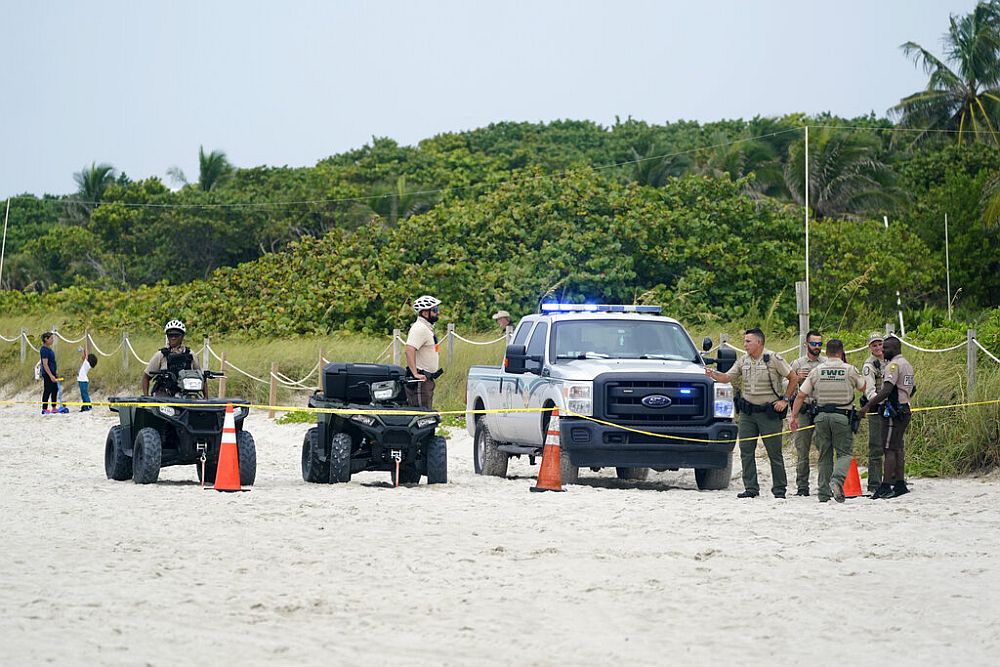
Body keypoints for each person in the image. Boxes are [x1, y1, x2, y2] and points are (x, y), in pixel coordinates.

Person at [706, 328, 799, 499]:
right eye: (744, 341)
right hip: (748, 413)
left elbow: (793, 377)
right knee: (746, 450)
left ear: (759, 342)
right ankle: (751, 488)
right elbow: (727, 377)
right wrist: (713, 374)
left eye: (748, 341)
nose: (745, 344)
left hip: (769, 412)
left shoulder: (773, 358)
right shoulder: (743, 361)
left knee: (774, 453)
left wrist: (785, 400)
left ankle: (779, 489)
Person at [789, 339, 865, 503]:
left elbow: (801, 395)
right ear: (841, 352)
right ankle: (836, 481)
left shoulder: (817, 370)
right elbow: (862, 387)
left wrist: (793, 416)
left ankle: (823, 494)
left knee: (824, 455)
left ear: (826, 352)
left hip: (821, 417)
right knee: (845, 453)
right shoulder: (849, 369)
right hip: (842, 416)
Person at [859, 336, 915, 499]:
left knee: (888, 448)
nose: (882, 350)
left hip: (893, 411)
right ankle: (899, 483)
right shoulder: (907, 364)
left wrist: (867, 406)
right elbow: (912, 387)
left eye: (885, 347)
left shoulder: (893, 365)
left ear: (895, 348)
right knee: (898, 448)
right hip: (904, 409)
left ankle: (884, 486)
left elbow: (886, 389)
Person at [788, 330, 826, 496]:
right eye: (814, 344)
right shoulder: (797, 363)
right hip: (803, 410)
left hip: (820, 409)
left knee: (824, 447)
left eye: (819, 344)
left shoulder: (825, 363)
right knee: (802, 449)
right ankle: (802, 486)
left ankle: (824, 485)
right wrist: (796, 377)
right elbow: (784, 384)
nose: (817, 347)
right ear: (806, 344)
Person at [142, 319, 200, 396]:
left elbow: (201, 377)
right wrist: (146, 398)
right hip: (164, 395)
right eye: (170, 335)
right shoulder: (161, 355)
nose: (173, 338)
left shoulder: (191, 355)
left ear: (182, 336)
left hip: (186, 395)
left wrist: (206, 398)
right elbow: (146, 377)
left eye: (176, 335)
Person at [405, 296, 443, 409]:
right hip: (421, 380)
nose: (438, 313)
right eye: (435, 310)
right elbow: (409, 350)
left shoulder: (426, 328)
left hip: (427, 380)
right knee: (421, 415)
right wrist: (415, 373)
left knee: (426, 414)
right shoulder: (419, 328)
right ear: (425, 313)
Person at [861, 332, 886, 495]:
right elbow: (869, 390)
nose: (878, 347)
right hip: (877, 409)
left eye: (880, 344)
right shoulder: (869, 366)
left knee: (895, 446)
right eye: (874, 345)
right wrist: (880, 402)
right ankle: (874, 483)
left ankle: (894, 478)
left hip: (893, 408)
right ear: (870, 347)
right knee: (876, 447)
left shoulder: (892, 360)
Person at [39, 332, 59, 414]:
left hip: (52, 372)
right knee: (47, 390)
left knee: (55, 389)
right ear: (46, 339)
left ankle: (54, 407)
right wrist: (50, 375)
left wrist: (55, 372)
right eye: (51, 338)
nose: (52, 340)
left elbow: (52, 362)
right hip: (47, 374)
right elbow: (45, 364)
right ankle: (44, 408)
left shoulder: (49, 349)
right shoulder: (44, 350)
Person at [77, 347, 98, 412]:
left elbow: (85, 357)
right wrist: (83, 351)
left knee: (85, 394)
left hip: (83, 381)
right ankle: (85, 406)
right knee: (83, 394)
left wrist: (84, 349)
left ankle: (89, 406)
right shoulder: (86, 364)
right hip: (82, 380)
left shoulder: (87, 364)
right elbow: (84, 357)